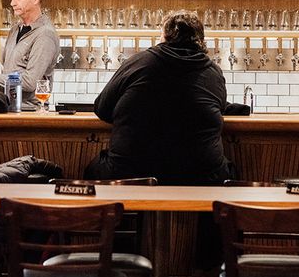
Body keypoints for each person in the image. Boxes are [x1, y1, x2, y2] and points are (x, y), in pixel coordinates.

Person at [85, 10, 233, 185]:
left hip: (129, 174)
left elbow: (102, 108)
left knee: (93, 170)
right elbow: (219, 107)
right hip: (202, 178)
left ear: (164, 36)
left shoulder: (138, 62)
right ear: (201, 41)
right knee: (228, 171)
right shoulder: (213, 72)